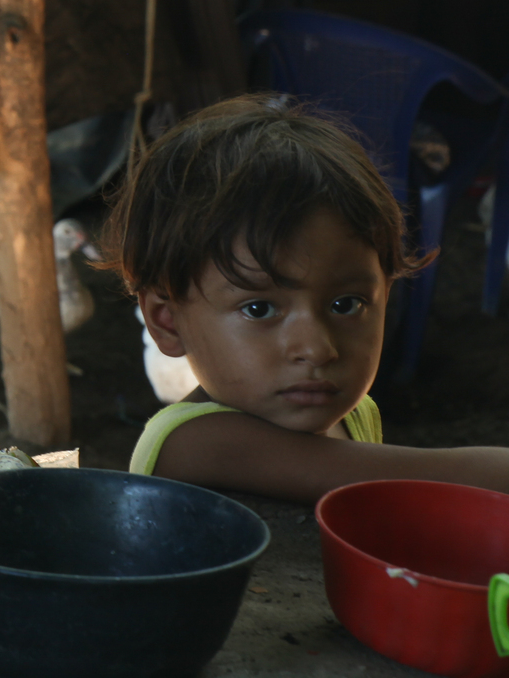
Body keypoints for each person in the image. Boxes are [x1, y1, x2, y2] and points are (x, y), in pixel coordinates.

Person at [101, 95, 509, 503]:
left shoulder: (355, 414)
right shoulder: (193, 443)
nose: (317, 348)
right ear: (167, 321)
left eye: (346, 304)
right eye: (258, 309)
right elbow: (425, 482)